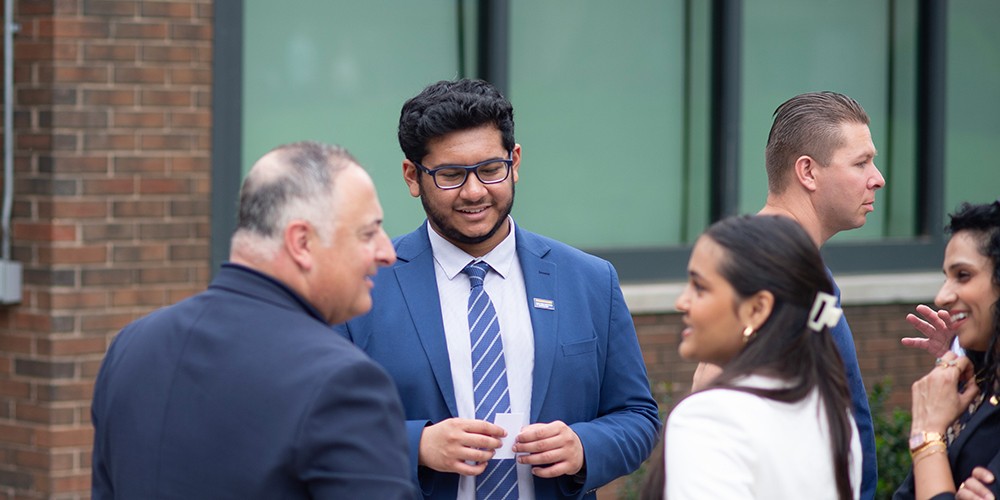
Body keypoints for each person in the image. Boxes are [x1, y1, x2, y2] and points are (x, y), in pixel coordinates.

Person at [334, 79, 660, 499]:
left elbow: (637, 416)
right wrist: (416, 444)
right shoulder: (361, 286)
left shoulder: (590, 280)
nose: (474, 192)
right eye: (451, 175)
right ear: (412, 176)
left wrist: (583, 447)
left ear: (515, 162)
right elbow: (318, 424)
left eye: (490, 170)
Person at [91, 141, 415, 499]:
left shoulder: (133, 344)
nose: (386, 253)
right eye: (368, 233)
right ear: (301, 242)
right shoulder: (344, 382)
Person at [690, 91, 883, 499]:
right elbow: (710, 398)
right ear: (808, 172)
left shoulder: (792, 265)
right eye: (861, 162)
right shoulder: (765, 267)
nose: (877, 178)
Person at [659, 214, 862, 498]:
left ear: (757, 309)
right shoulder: (833, 414)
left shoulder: (710, 418)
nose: (682, 302)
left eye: (700, 287)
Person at [893, 201, 1000, 500]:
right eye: (946, 276)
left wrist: (927, 434)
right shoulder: (975, 387)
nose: (942, 296)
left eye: (963, 275)